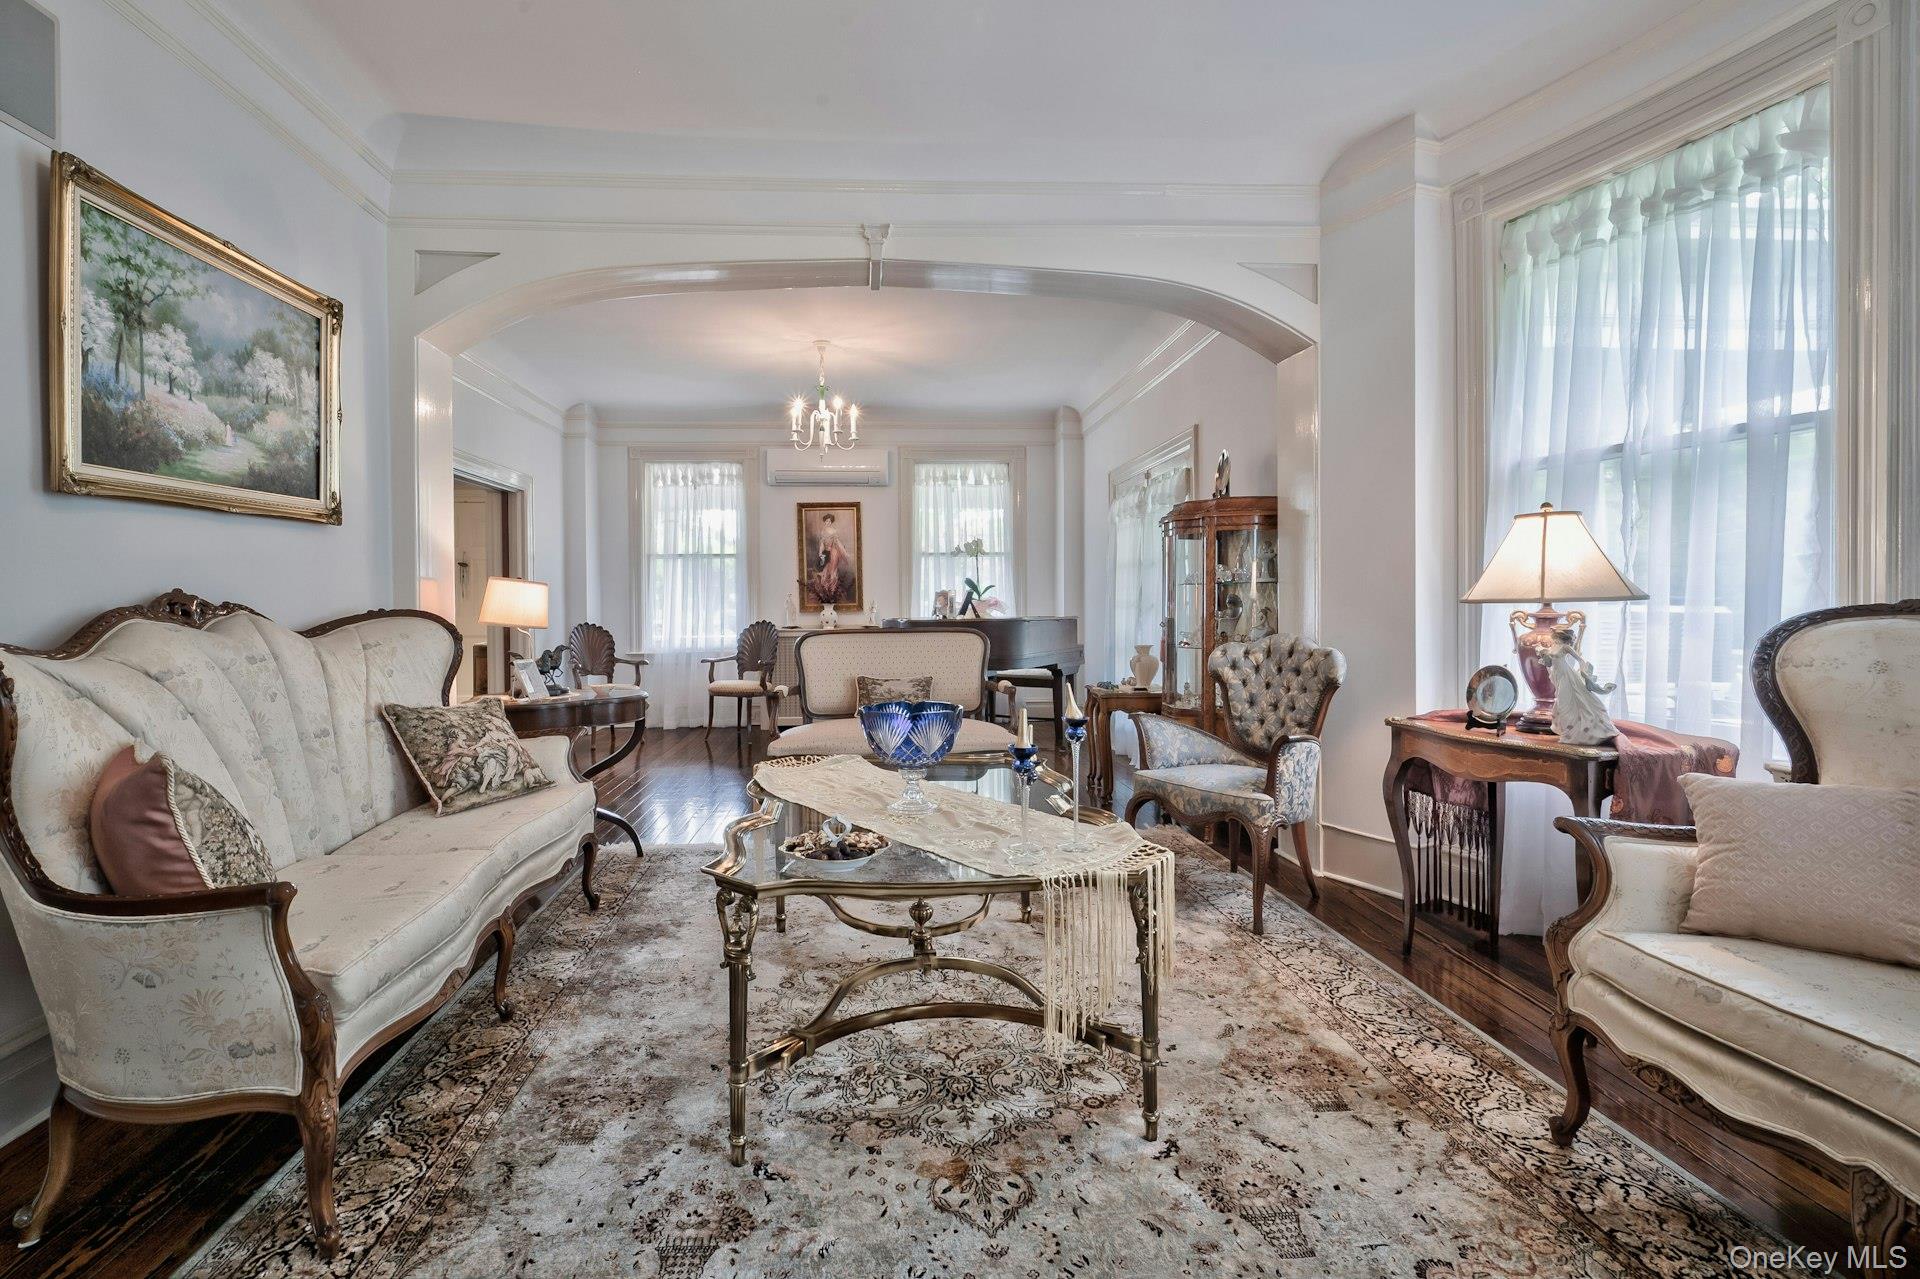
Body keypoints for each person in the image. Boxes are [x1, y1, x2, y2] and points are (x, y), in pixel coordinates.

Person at [809, 512, 854, 604]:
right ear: (824, 522)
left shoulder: (834, 531)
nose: (828, 522)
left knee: (832, 570)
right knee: (825, 570)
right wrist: (820, 553)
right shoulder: (822, 531)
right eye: (826, 521)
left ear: (831, 522)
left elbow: (837, 542)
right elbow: (821, 543)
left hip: (833, 552)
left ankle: (832, 589)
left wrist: (843, 552)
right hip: (826, 552)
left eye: (829, 521)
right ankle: (826, 589)